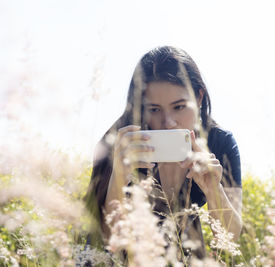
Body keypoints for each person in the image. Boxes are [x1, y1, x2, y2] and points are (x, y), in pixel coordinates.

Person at [85, 46, 242, 260]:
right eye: (155, 109)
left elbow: (230, 237)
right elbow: (102, 239)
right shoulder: (119, 143)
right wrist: (118, 177)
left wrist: (214, 190)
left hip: (182, 251)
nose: (168, 123)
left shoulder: (219, 143)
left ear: (199, 97)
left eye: (179, 107)